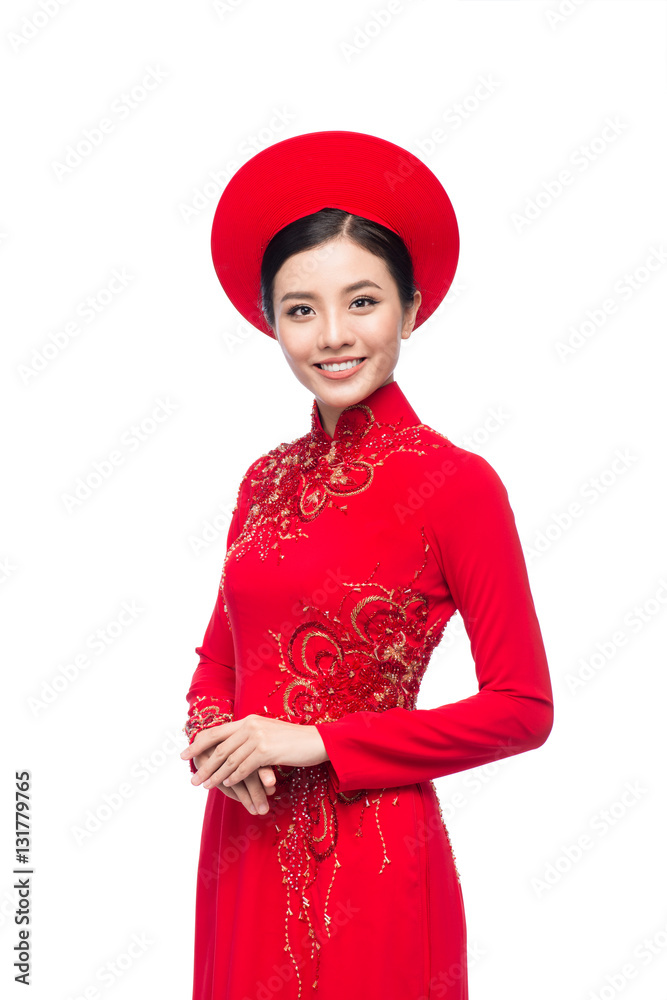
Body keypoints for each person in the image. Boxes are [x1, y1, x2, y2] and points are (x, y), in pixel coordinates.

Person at [180, 130, 554, 1000]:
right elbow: (220, 655)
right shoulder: (263, 479)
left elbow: (522, 709)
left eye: (362, 302)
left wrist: (315, 741)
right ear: (271, 321)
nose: (333, 336)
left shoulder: (455, 486)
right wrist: (214, 738)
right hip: (244, 838)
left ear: (411, 309)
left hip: (375, 854)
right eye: (301, 309)